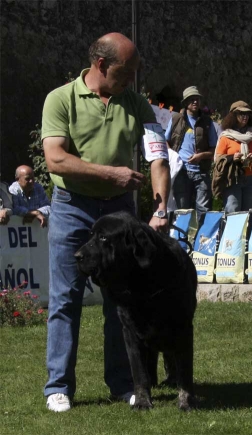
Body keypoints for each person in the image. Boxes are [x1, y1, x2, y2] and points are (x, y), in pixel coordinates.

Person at [41, 32, 170, 412]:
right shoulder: (60, 99)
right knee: (66, 298)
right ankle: (58, 387)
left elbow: (158, 157)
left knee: (121, 302)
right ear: (101, 65)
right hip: (71, 208)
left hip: (119, 214)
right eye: (127, 71)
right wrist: (111, 174)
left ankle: (123, 383)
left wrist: (160, 208)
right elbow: (55, 160)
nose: (133, 79)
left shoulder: (136, 104)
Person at [165, 86, 219, 217]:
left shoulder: (207, 122)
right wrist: (172, 156)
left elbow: (215, 150)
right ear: (185, 102)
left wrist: (201, 156)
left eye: (197, 99)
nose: (195, 102)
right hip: (181, 171)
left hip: (201, 172)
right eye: (192, 99)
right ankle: (182, 237)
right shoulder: (176, 119)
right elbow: (165, 141)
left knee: (204, 211)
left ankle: (202, 237)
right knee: (182, 211)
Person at [215, 101, 252, 213]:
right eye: (241, 114)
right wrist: (232, 158)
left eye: (247, 114)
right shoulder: (226, 137)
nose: (245, 117)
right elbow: (218, 159)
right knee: (233, 211)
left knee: (250, 212)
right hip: (233, 179)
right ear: (233, 116)